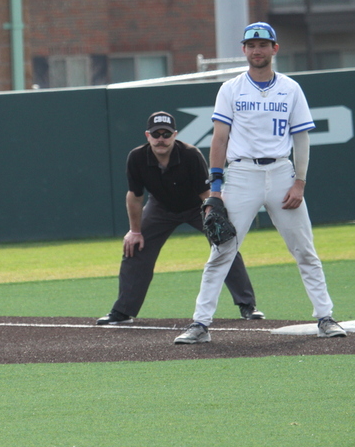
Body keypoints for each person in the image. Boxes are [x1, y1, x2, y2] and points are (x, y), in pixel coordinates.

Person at [175, 22, 346, 344]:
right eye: (251, 45)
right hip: (241, 174)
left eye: (263, 45)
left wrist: (300, 182)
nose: (257, 50)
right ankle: (200, 323)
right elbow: (220, 138)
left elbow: (302, 138)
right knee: (222, 249)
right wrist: (215, 187)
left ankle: (325, 316)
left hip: (282, 173)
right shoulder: (231, 88)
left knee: (304, 250)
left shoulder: (291, 88)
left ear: (274, 49)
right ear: (244, 50)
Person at [96, 111, 264, 326]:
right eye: (156, 134)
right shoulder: (137, 157)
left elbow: (206, 194)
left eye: (166, 134)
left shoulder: (190, 155)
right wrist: (135, 231)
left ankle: (247, 306)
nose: (161, 139)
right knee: (135, 247)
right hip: (160, 207)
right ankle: (122, 311)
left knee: (226, 243)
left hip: (196, 206)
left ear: (175, 135)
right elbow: (135, 197)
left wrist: (213, 220)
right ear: (147, 136)